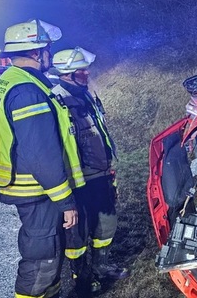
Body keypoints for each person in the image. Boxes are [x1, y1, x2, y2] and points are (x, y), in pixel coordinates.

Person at [0, 19, 86, 298]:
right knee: (41, 261)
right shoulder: (27, 91)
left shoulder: (15, 81)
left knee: (48, 256)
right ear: (37, 53)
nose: (50, 55)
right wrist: (65, 201)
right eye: (48, 49)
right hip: (38, 191)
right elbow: (41, 153)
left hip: (34, 189)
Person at [50, 47, 130, 293]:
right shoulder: (57, 99)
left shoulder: (86, 94)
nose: (87, 73)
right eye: (82, 70)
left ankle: (101, 266)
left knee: (106, 224)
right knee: (78, 233)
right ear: (68, 73)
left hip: (100, 172)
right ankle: (81, 278)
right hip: (78, 178)